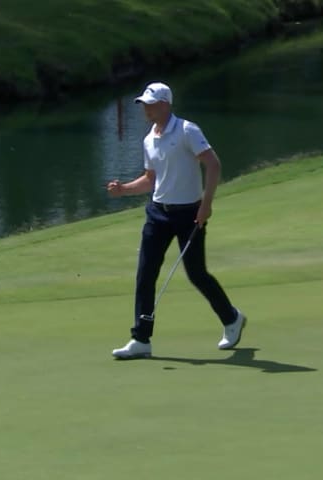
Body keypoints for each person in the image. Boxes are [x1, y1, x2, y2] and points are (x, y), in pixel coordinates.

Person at [107, 82, 246, 359]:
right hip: (158, 213)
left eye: (150, 103)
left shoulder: (186, 130)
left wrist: (206, 205)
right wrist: (124, 190)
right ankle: (141, 340)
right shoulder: (149, 138)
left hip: (189, 214)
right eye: (143, 103)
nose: (145, 108)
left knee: (197, 274)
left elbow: (213, 164)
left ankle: (232, 319)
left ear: (165, 104)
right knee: (145, 274)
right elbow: (150, 179)